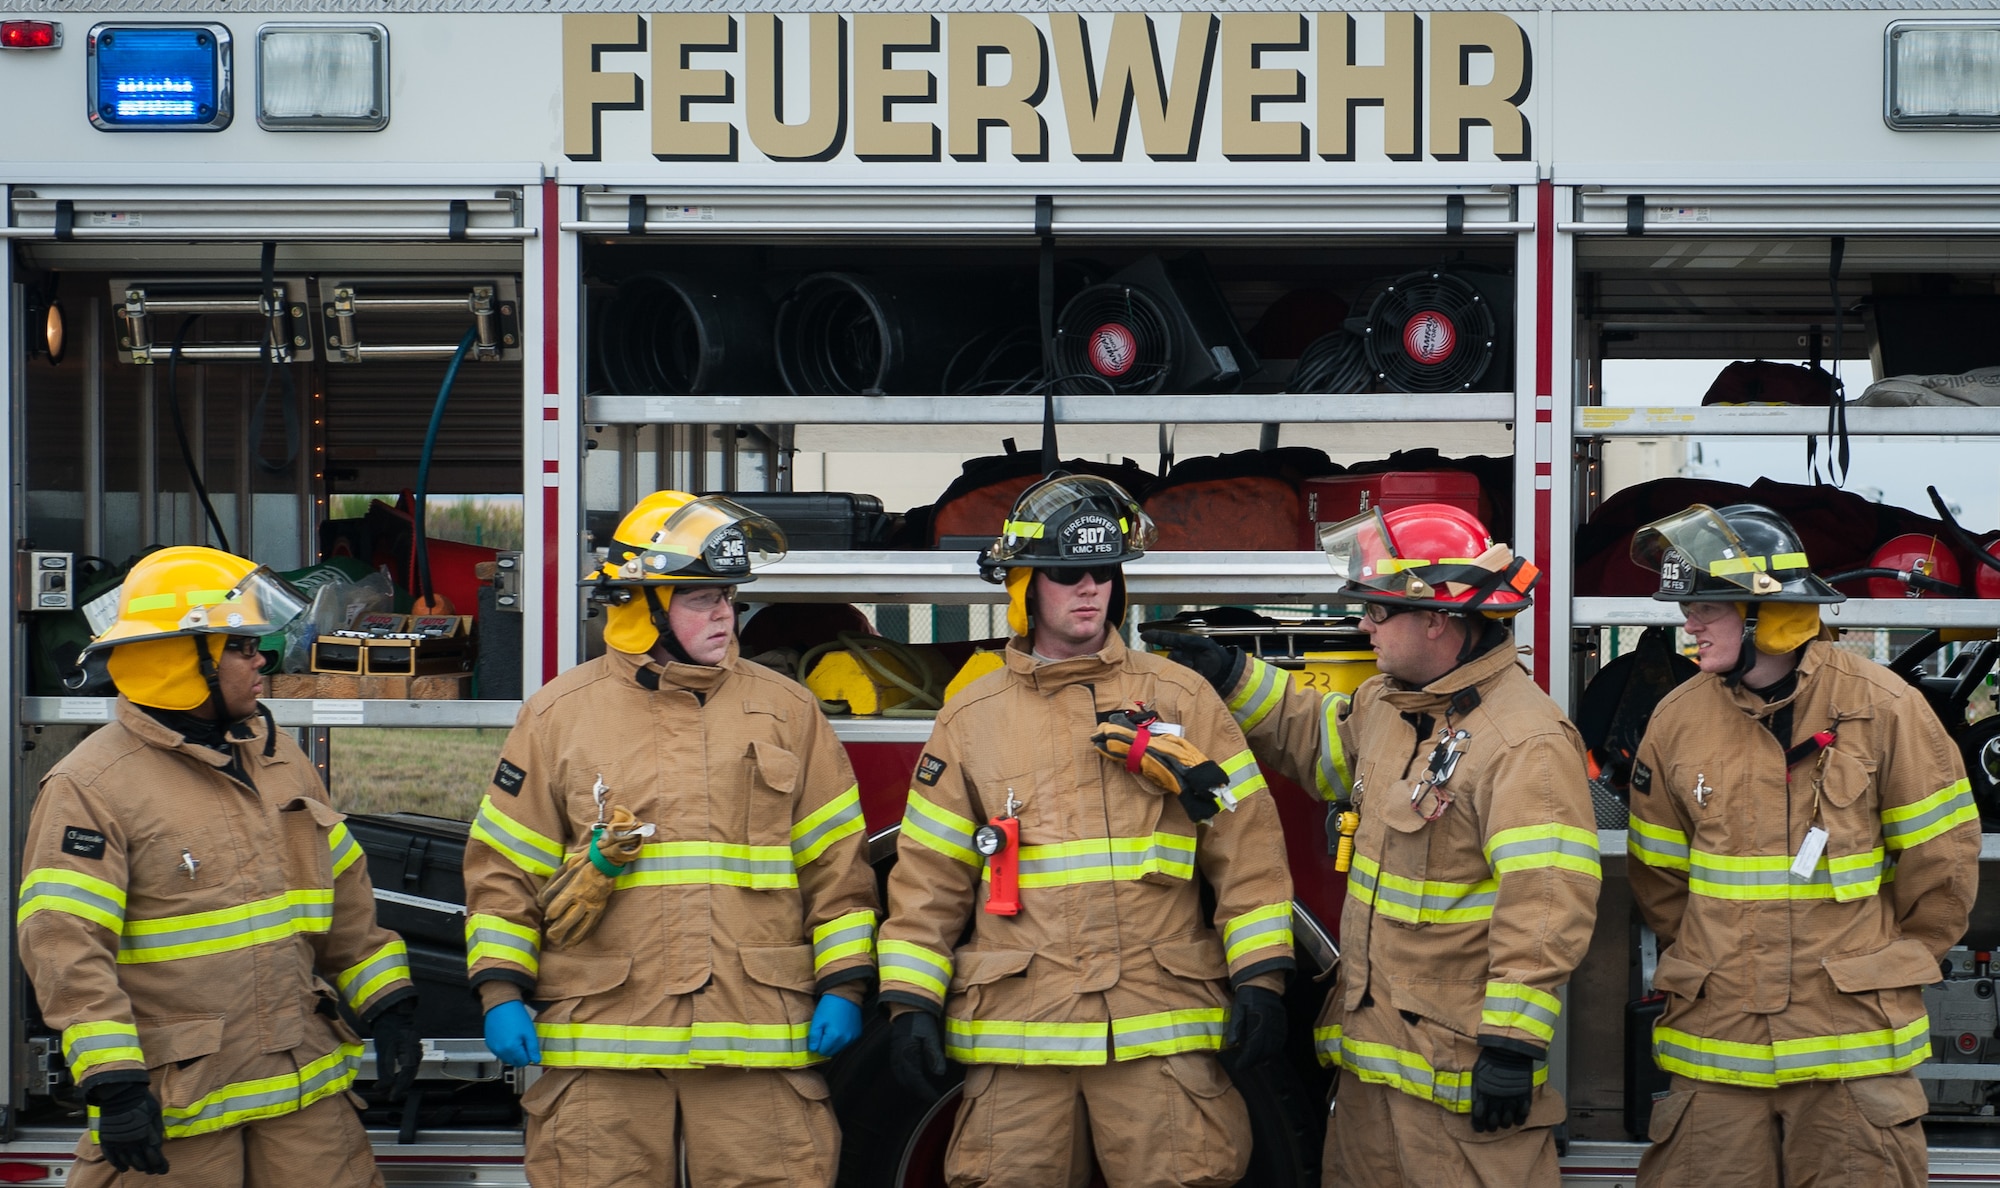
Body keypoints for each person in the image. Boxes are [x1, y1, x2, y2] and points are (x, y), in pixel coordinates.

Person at [1148, 503, 1600, 1187]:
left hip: (1460, 1089)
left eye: (1379, 612)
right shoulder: (1394, 707)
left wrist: (1510, 1047)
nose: (1365, 625)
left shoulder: (1525, 742)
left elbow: (1546, 906)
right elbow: (1322, 743)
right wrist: (1235, 674)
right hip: (1371, 1079)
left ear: (1438, 621)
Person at [876, 473, 1295, 1188]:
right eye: (1067, 572)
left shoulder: (1179, 699)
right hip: (1023, 1040)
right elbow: (929, 879)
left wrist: (1263, 975)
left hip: (1156, 1031)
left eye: (1103, 571)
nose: (1089, 588)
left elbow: (1245, 844)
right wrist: (910, 1001)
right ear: (1026, 586)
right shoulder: (972, 719)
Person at [463, 491, 878, 1188]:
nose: (724, 614)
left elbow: (836, 869)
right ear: (641, 607)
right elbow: (504, 869)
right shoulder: (560, 717)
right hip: (603, 1049)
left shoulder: (785, 711)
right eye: (700, 597)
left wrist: (844, 984)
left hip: (756, 1042)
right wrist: (501, 992)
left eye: (728, 597)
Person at [17, 546, 420, 1186]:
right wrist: (115, 1084)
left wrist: (388, 1004)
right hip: (177, 1110)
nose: (262, 660)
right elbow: (66, 946)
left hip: (304, 1093)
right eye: (240, 646)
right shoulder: (91, 786)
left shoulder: (275, 752)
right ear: (182, 659)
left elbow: (341, 891)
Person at [1624, 503, 1977, 1188]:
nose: (1688, 622)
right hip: (1717, 1052)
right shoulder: (1676, 720)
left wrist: (1879, 967)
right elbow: (1660, 881)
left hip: (1851, 1057)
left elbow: (1944, 869)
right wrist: (1713, 957)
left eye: (1707, 605)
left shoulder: (1883, 707)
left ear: (1769, 613)